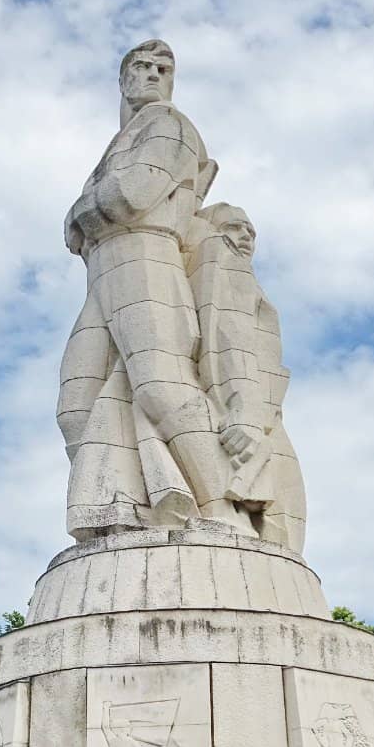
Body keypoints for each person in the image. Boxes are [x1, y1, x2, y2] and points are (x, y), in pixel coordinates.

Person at [59, 41, 257, 538]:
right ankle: (126, 509)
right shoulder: (121, 140)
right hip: (104, 267)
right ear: (123, 79)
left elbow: (133, 194)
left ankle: (221, 509)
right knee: (77, 404)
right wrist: (85, 220)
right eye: (141, 67)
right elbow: (81, 230)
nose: (151, 75)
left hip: (144, 250)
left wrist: (81, 212)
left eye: (162, 69)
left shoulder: (170, 125)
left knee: (159, 381)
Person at [184, 202, 307, 552]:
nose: (245, 238)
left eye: (250, 232)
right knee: (282, 530)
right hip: (250, 415)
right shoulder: (219, 257)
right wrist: (246, 409)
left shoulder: (205, 267)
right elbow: (230, 334)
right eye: (235, 227)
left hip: (255, 410)